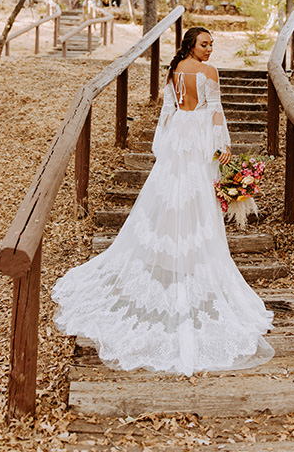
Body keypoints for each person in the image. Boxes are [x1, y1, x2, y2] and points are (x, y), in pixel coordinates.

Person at [52, 27, 274, 376]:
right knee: (195, 192)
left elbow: (168, 112)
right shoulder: (208, 73)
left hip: (179, 134)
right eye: (205, 44)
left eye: (212, 44)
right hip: (199, 135)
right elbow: (215, 110)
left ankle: (176, 256)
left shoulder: (175, 71)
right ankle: (186, 257)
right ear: (191, 45)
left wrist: (166, 142)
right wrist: (222, 144)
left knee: (173, 192)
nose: (210, 49)